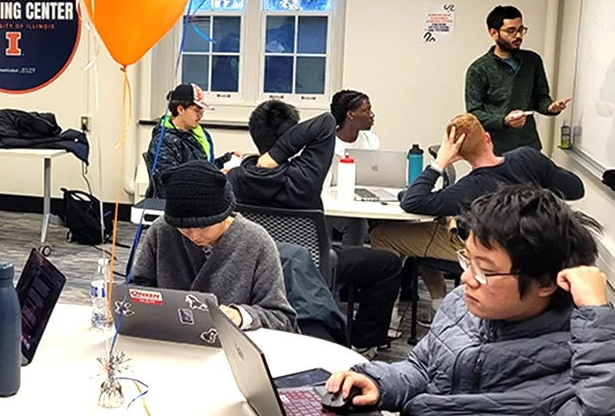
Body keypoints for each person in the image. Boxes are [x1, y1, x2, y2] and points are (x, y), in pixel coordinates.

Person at [327, 186, 615, 416]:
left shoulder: (581, 355)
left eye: (486, 271)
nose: (467, 279)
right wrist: (380, 383)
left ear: (545, 282)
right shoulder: (464, 305)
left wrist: (594, 315)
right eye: (468, 260)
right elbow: (422, 368)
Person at [228, 100, 401, 355]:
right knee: (389, 264)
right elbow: (326, 123)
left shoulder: (236, 178)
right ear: (293, 136)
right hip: (312, 263)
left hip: (258, 265)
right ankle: (363, 342)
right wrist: (277, 153)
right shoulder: (305, 175)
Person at [371, 113, 584, 312]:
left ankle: (389, 318)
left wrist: (440, 162)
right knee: (432, 230)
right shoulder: (528, 157)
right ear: (488, 138)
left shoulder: (468, 189)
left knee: (383, 235)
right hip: (537, 245)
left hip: (486, 251)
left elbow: (413, 201)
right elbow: (576, 189)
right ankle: (439, 305)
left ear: (458, 155)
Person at [130, 160, 297, 331]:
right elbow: (137, 287)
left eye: (204, 226)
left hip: (233, 347)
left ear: (223, 216)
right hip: (171, 338)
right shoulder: (162, 230)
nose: (194, 236)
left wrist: (241, 315)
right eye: (184, 228)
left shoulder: (256, 241)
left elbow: (282, 318)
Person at [465, 5, 570, 154]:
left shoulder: (532, 61)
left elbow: (540, 98)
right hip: (494, 149)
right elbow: (474, 113)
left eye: (521, 30)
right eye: (511, 31)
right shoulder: (478, 69)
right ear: (493, 33)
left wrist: (550, 107)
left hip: (528, 146)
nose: (518, 36)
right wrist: (504, 121)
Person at [143, 83, 239, 198]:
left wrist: (226, 160)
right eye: (196, 110)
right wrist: (214, 178)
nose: (200, 115)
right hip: (178, 207)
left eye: (202, 111)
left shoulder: (200, 135)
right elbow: (169, 183)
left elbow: (206, 165)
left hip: (202, 198)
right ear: (180, 109)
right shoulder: (163, 142)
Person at [329, 89, 379, 248]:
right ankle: (348, 265)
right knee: (357, 226)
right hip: (331, 204)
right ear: (350, 115)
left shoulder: (371, 140)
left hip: (362, 199)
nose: (372, 115)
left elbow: (374, 174)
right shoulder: (327, 141)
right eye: (366, 110)